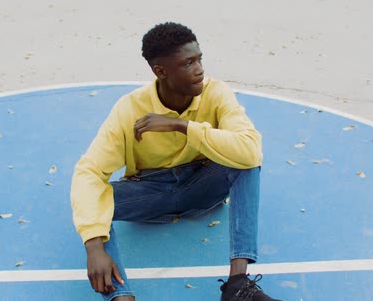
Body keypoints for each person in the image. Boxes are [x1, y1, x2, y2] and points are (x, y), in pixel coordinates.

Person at [71, 22, 280, 301]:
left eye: (200, 59)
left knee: (245, 160)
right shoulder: (129, 108)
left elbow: (251, 150)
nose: (200, 69)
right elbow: (89, 172)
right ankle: (121, 297)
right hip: (150, 194)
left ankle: (238, 285)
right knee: (96, 199)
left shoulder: (215, 93)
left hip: (202, 185)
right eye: (188, 63)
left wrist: (180, 126)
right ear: (161, 71)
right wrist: (94, 246)